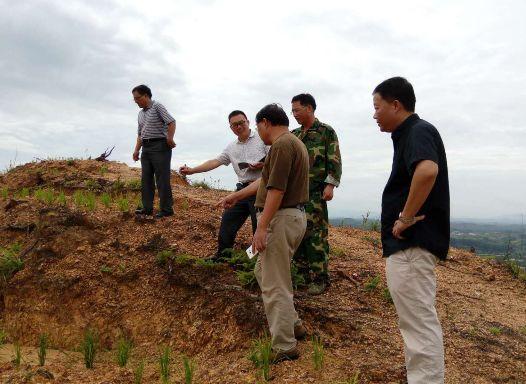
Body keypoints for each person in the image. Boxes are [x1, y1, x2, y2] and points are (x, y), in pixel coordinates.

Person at [218, 104, 309, 362]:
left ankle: (284, 346)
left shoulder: (281, 146)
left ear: (265, 122)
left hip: (280, 218)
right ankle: (294, 325)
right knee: (264, 271)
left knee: (273, 283)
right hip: (293, 217)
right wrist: (236, 196)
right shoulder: (294, 143)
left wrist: (262, 225)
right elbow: (264, 182)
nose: (259, 131)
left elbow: (276, 191)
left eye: (258, 126)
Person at [373, 76, 449, 384]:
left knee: (418, 325)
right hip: (409, 247)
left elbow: (428, 169)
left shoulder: (418, 130)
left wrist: (405, 217)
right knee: (415, 324)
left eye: (377, 107)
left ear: (396, 104)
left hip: (412, 246)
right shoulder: (410, 134)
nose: (374, 114)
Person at [179, 110, 268, 260]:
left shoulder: (263, 139)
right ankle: (222, 257)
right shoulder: (231, 147)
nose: (239, 127)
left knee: (258, 227)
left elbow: (275, 160)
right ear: (231, 127)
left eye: (241, 123)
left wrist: (263, 164)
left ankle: (256, 263)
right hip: (242, 190)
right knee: (228, 222)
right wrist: (193, 170)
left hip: (260, 189)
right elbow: (216, 161)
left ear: (248, 122)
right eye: (235, 125)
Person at [290, 93, 342, 295]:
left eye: (297, 110)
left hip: (315, 193)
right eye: (292, 110)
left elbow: (334, 160)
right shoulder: (294, 135)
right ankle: (301, 277)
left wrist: (330, 186)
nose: (294, 114)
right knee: (298, 234)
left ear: (309, 108)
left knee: (316, 236)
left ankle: (320, 279)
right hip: (295, 194)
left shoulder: (326, 132)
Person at [132, 84, 176, 218]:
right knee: (146, 179)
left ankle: (166, 210)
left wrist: (169, 138)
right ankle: (147, 208)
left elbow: (171, 122)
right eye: (134, 99)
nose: (136, 101)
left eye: (137, 98)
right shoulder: (140, 114)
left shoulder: (157, 106)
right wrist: (136, 150)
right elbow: (140, 134)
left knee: (162, 179)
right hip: (146, 147)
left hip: (160, 146)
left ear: (146, 95)